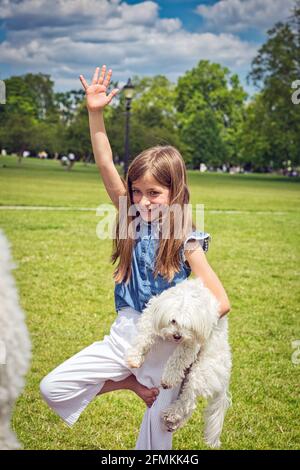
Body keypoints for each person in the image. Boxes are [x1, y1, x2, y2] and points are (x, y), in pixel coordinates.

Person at [40, 65, 231, 450]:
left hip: (165, 343)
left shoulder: (186, 239)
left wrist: (180, 319)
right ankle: (132, 384)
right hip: (125, 335)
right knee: (52, 386)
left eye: (155, 193)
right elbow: (106, 163)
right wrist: (95, 112)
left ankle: (151, 390)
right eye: (137, 191)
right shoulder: (130, 216)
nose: (143, 201)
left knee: (156, 442)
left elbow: (221, 302)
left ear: (174, 193)